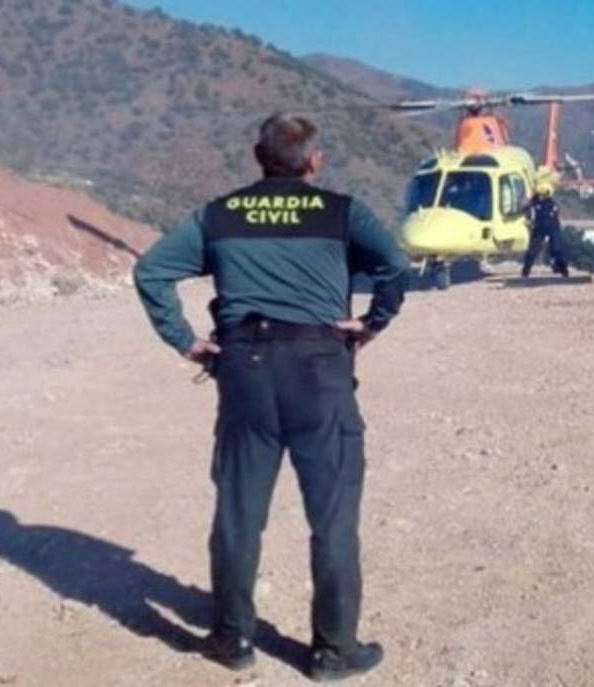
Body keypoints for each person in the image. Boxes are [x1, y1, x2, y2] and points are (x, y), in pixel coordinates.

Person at [133, 114, 408, 681]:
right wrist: (372, 324)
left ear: (258, 156)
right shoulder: (342, 212)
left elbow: (151, 270)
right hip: (320, 370)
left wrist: (186, 342)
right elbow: (397, 266)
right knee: (332, 519)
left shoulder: (220, 214)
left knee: (238, 513)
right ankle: (334, 653)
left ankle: (232, 640)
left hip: (245, 372)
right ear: (315, 161)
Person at [521, 180, 570, 278]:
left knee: (557, 249)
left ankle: (563, 271)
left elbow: (555, 214)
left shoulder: (552, 204)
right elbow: (525, 209)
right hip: (539, 229)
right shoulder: (534, 203)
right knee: (532, 251)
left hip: (553, 228)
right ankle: (525, 272)